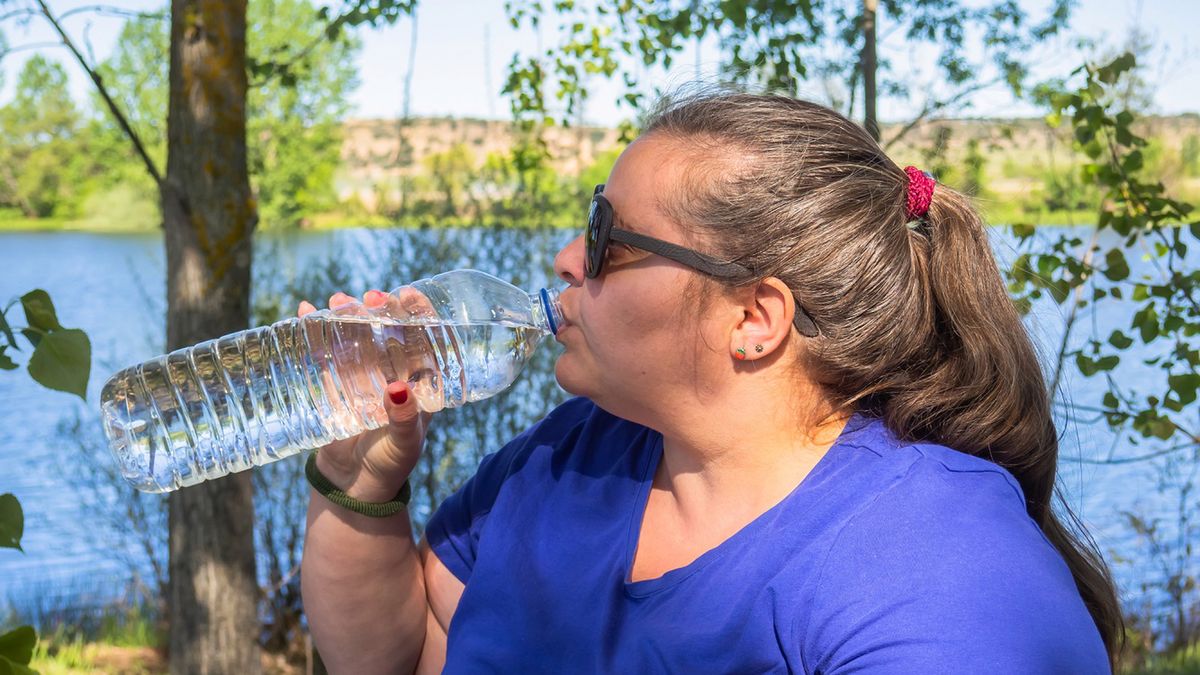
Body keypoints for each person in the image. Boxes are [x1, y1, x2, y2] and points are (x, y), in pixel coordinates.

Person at [299, 92, 1121, 674]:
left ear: (754, 318)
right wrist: (359, 479)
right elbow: (405, 655)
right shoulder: (572, 458)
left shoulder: (939, 572)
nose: (567, 260)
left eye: (607, 236)